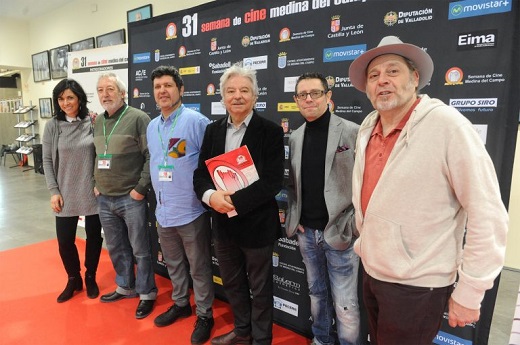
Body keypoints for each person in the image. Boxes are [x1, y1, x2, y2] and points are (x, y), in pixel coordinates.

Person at [348, 35, 508, 344]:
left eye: (393, 71)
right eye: (374, 75)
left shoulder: (447, 126)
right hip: (372, 272)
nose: (382, 81)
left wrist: (471, 291)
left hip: (417, 284)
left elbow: (487, 212)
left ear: (415, 78)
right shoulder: (368, 126)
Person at [193, 63, 284, 345]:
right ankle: (242, 332)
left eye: (244, 90)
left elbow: (272, 181)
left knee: (260, 287)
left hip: (257, 225)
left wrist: (233, 201)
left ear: (255, 96)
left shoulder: (270, 131)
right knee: (232, 284)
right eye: (230, 91)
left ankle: (261, 340)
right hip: (223, 224)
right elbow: (200, 174)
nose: (237, 96)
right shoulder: (212, 131)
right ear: (222, 97)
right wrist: (211, 197)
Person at [286, 72, 360, 345]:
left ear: (328, 97)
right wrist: (296, 218)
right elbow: (293, 185)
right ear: (296, 101)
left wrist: (353, 225)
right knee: (316, 294)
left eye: (315, 93)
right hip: (307, 234)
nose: (309, 99)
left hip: (341, 233)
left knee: (345, 303)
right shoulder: (295, 136)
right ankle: (321, 340)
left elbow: (365, 184)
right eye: (302, 95)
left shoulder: (352, 131)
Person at [147, 65, 214, 344]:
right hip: (163, 211)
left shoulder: (196, 122)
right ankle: (181, 303)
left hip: (190, 210)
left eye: (168, 85)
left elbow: (210, 165)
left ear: (181, 90)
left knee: (198, 266)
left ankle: (205, 314)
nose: (162, 91)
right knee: (174, 263)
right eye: (157, 87)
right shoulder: (152, 126)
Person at [93, 72, 157, 319]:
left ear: (122, 93)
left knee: (140, 248)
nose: (105, 94)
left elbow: (152, 156)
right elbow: (97, 156)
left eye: (110, 89)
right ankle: (125, 286)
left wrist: (140, 189)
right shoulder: (98, 121)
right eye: (100, 90)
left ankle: (146, 293)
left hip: (130, 198)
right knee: (117, 247)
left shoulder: (139, 118)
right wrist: (94, 182)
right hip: (105, 197)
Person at [42, 78, 103, 303]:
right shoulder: (53, 126)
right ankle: (73, 278)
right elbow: (47, 160)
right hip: (64, 192)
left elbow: (102, 155)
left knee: (94, 238)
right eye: (61, 98)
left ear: (79, 98)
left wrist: (101, 183)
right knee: (65, 241)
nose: (65, 102)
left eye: (70, 97)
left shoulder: (93, 122)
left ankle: (90, 276)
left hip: (92, 191)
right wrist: (53, 191)